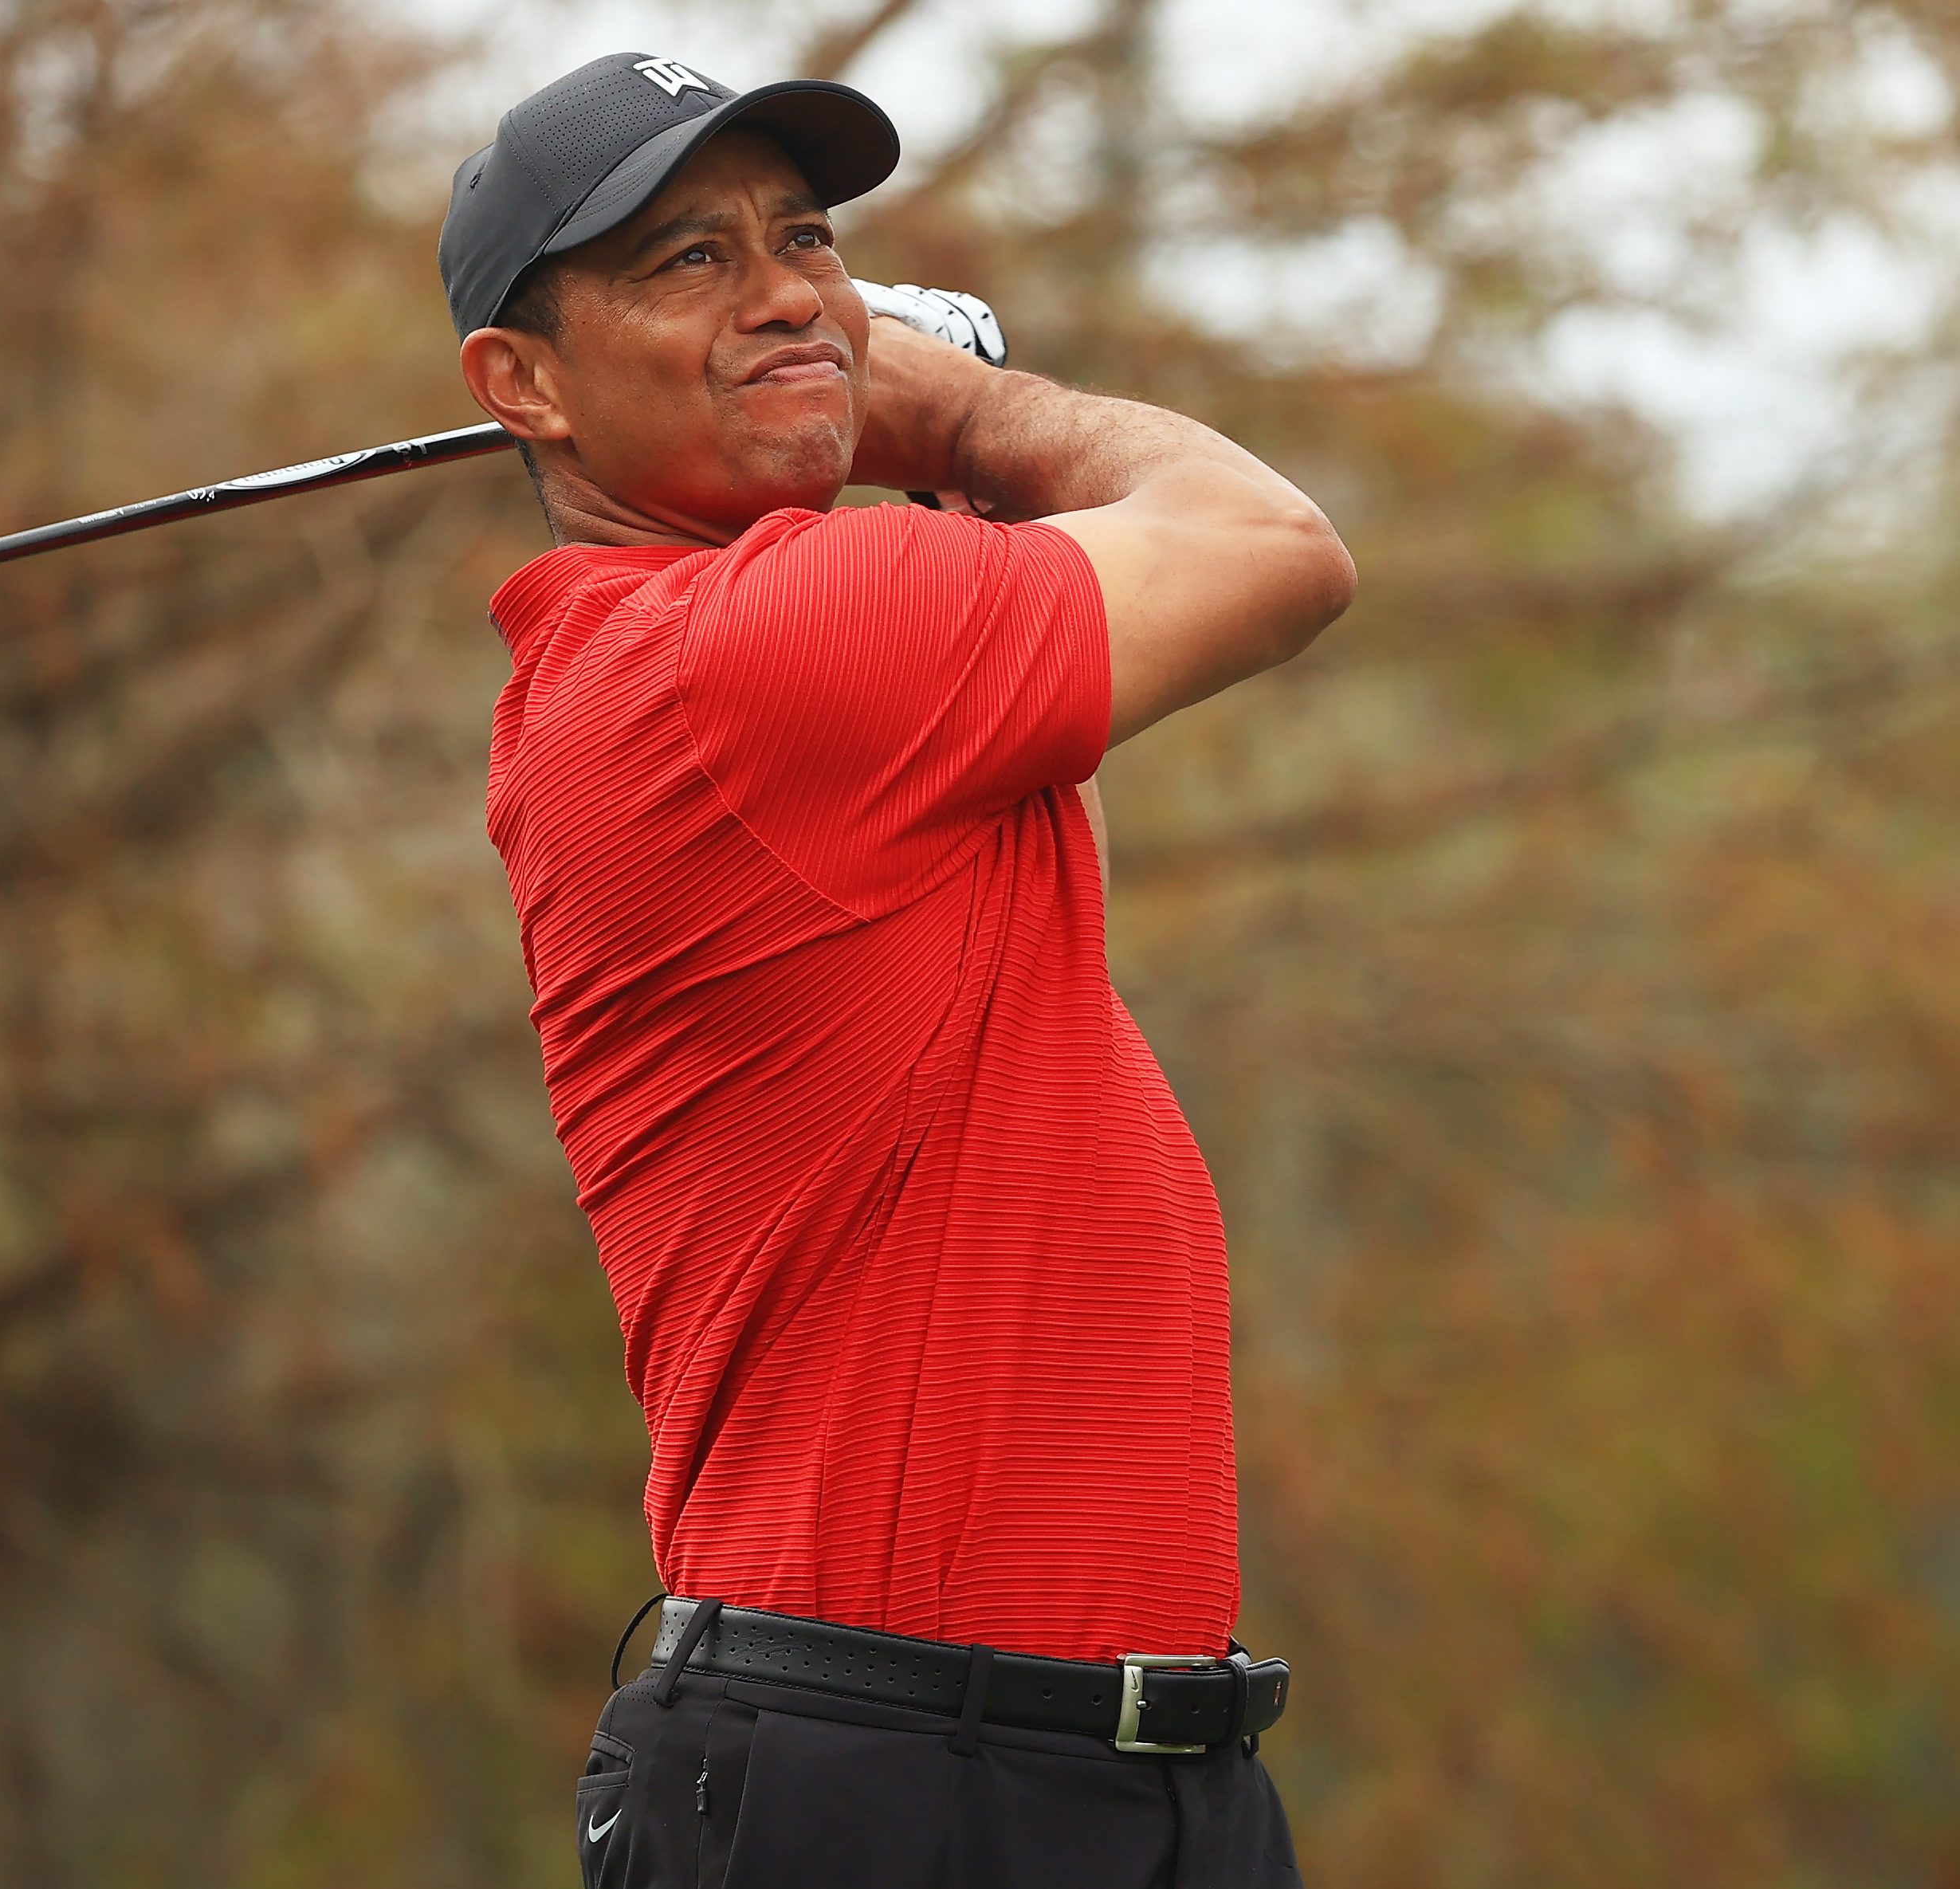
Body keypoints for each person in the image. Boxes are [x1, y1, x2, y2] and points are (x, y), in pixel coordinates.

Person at [442, 50, 1353, 1889]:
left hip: (1080, 1773)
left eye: (806, 242)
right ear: (519, 385)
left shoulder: (754, 660)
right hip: (905, 1782)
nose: (787, 290)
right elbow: (1274, 548)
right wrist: (945, 413)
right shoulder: (750, 651)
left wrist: (855, 415)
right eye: (688, 262)